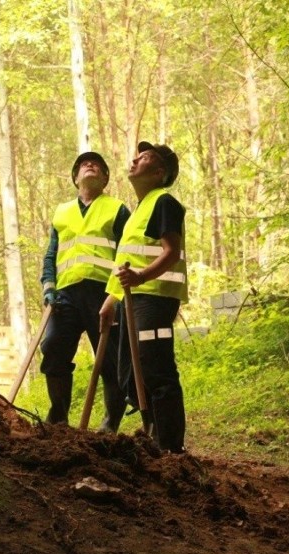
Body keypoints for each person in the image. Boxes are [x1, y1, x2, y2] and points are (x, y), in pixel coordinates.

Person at [100, 141, 188, 453]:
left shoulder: (163, 202)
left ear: (160, 173)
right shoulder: (139, 210)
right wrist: (111, 300)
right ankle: (153, 433)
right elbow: (127, 259)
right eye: (138, 155)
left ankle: (170, 447)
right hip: (132, 301)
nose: (135, 159)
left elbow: (171, 251)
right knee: (129, 372)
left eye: (146, 157)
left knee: (155, 368)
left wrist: (140, 277)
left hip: (155, 300)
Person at [39, 151, 131, 431]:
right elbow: (51, 254)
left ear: (104, 178)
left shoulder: (117, 209)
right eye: (83, 164)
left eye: (97, 165)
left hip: (103, 294)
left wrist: (116, 296)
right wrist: (48, 286)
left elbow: (129, 252)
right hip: (65, 295)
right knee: (53, 347)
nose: (89, 166)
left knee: (111, 359)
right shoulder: (61, 212)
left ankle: (110, 423)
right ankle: (58, 417)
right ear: (76, 177)